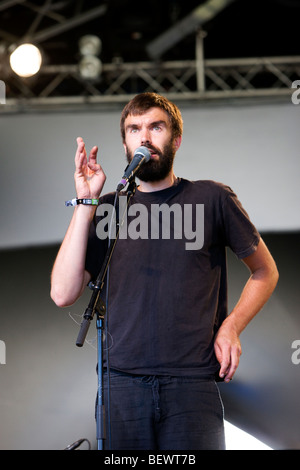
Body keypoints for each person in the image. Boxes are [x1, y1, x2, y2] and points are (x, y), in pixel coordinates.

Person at [50, 92, 279, 450]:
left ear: (175, 139)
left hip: (192, 383)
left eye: (156, 126)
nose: (144, 137)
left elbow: (265, 271)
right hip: (121, 384)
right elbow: (63, 293)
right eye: (134, 129)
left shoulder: (212, 198)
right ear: (125, 143)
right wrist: (86, 201)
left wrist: (231, 327)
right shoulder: (108, 208)